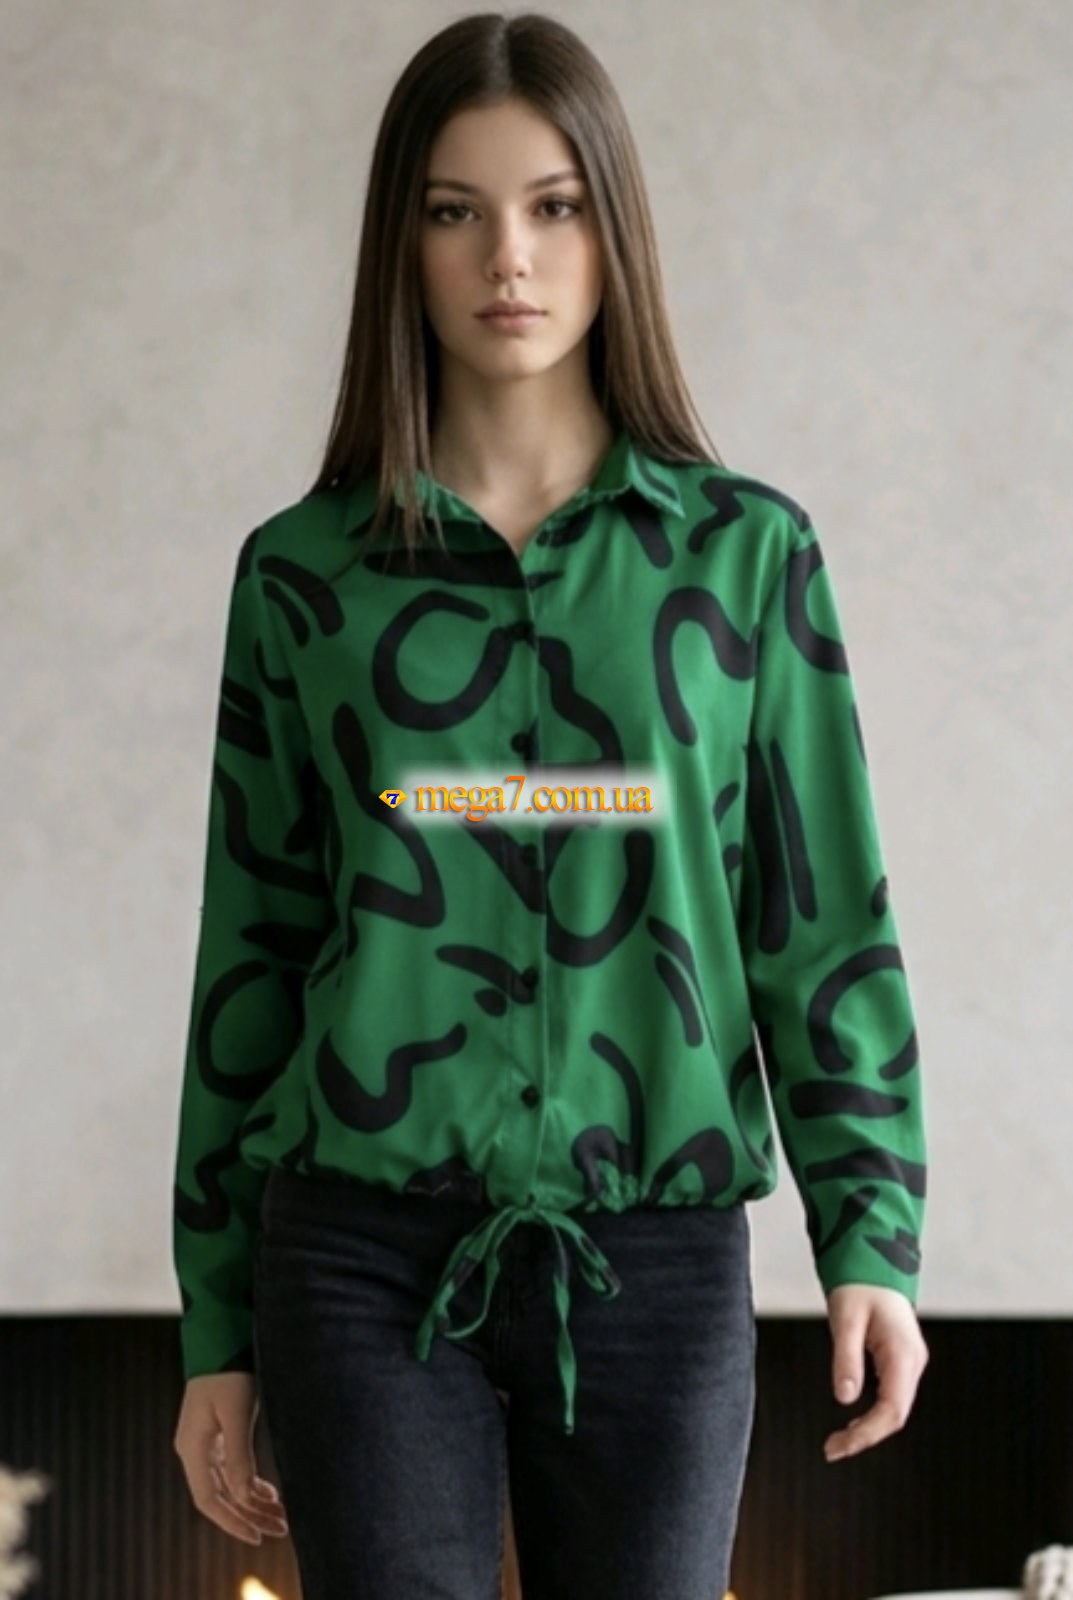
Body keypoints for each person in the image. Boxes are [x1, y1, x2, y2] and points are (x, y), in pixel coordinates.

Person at [171, 12, 930, 1599]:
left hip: (654, 1262)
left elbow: (817, 919)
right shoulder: (302, 578)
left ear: (612, 232)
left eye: (554, 205)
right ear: (401, 244)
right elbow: (254, 948)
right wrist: (216, 1322)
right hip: (358, 1259)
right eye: (454, 210)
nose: (505, 257)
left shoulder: (747, 558)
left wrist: (868, 1234)